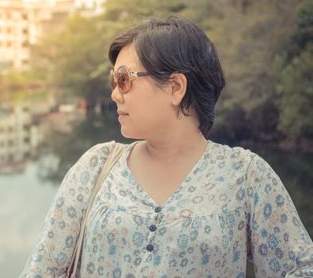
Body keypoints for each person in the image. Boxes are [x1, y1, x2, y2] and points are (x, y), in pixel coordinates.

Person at [20, 17, 313, 277]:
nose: (114, 94)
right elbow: (42, 269)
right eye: (114, 81)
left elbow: (300, 267)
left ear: (175, 87)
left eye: (123, 80)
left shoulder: (247, 176)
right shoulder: (96, 166)